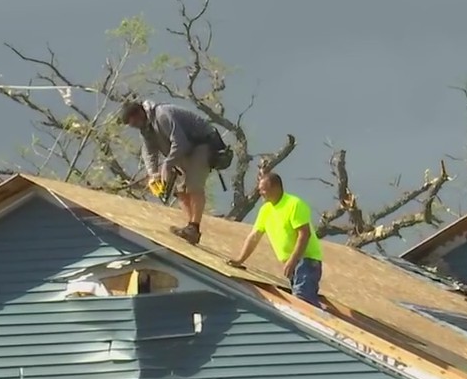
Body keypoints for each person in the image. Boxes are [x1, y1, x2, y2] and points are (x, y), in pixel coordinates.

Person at [118, 99, 225, 245]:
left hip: (202, 145)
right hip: (185, 152)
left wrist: (167, 165)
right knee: (180, 191)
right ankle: (190, 229)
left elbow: (180, 142)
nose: (135, 127)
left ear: (138, 114)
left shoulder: (162, 115)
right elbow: (149, 152)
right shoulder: (145, 129)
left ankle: (194, 227)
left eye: (134, 122)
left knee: (193, 186)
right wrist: (153, 173)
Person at [227, 171, 324, 307]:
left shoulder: (294, 204)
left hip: (306, 261)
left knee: (302, 301)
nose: (260, 193)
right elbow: (254, 236)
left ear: (275, 187)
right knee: (301, 301)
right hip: (293, 262)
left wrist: (293, 260)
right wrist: (240, 260)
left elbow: (304, 234)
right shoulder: (265, 210)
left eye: (263, 189)